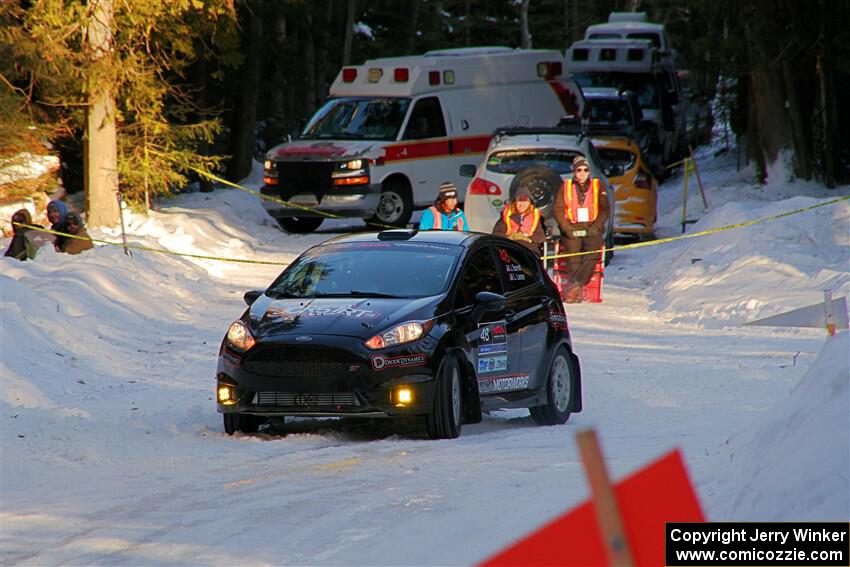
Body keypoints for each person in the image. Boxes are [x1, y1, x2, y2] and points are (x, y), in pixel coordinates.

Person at [553, 155, 610, 303]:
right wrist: (566, 228)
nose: (582, 172)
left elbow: (605, 209)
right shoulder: (565, 186)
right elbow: (558, 209)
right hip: (572, 225)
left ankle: (575, 286)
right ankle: (576, 288)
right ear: (574, 172)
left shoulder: (598, 186)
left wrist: (596, 226)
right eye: (579, 170)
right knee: (573, 252)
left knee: (592, 252)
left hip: (592, 226)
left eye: (585, 169)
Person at [492, 186, 545, 254]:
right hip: (510, 248)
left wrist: (526, 237)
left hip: (529, 250)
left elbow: (541, 237)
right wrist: (511, 237)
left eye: (525, 201)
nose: (522, 204)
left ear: (530, 203)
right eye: (519, 201)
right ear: (514, 202)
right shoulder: (506, 216)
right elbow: (497, 234)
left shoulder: (536, 217)